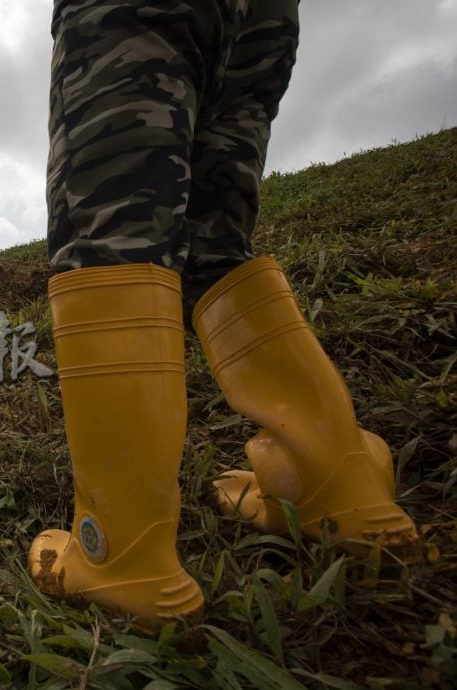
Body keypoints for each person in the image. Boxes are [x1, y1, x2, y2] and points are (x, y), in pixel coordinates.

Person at [28, 0, 418, 632]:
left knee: (110, 238)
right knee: (215, 247)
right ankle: (338, 490)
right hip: (260, 15)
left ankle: (119, 557)